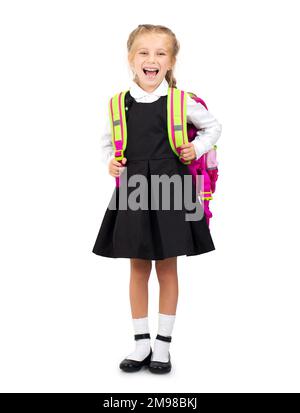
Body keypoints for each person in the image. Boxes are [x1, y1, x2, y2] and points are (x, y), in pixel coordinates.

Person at [92, 24, 222, 374]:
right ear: (131, 59)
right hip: (134, 189)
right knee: (137, 266)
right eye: (144, 52)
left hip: (172, 189)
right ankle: (140, 342)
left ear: (171, 61)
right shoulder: (118, 104)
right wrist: (111, 161)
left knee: (166, 265)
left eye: (160, 53)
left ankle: (163, 346)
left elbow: (214, 128)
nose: (151, 59)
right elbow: (108, 141)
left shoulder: (183, 102)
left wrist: (194, 148)